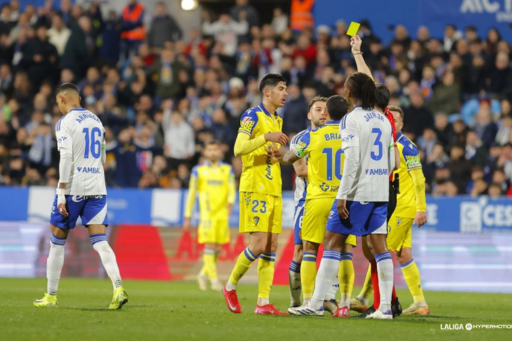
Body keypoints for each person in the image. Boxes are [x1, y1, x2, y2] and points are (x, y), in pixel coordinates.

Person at [290, 72, 395, 319]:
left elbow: (353, 160)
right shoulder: (383, 119)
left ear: (349, 93)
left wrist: (343, 195)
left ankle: (315, 304)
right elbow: (391, 161)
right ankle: (386, 309)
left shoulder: (350, 120)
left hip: (358, 192)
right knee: (380, 248)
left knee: (331, 242)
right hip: (380, 190)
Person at [33, 83, 127, 309]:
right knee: (100, 241)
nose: (58, 107)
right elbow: (103, 157)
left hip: (74, 186)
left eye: (58, 103)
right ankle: (118, 288)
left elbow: (66, 158)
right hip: (97, 186)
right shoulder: (96, 120)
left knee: (57, 241)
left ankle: (51, 296)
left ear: (63, 99)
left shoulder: (64, 122)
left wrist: (62, 193)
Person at [281, 95, 356, 317]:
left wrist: (282, 157)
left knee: (310, 249)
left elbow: (292, 162)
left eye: (324, 109)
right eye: (317, 109)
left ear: (328, 113)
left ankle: (309, 301)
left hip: (317, 198)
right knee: (344, 251)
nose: (322, 113)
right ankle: (344, 303)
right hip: (344, 200)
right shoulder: (351, 136)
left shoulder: (311, 137)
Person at [222, 73, 288, 315]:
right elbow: (239, 148)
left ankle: (263, 302)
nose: (285, 93)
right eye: (281, 88)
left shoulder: (277, 119)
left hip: (274, 188)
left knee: (271, 246)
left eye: (286, 88)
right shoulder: (252, 115)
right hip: (255, 187)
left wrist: (277, 153)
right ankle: (230, 286)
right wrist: (265, 137)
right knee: (258, 245)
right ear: (267, 92)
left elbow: (266, 152)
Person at [349, 34, 401, 318]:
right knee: (372, 248)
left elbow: (367, 82)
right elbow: (370, 83)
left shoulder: (375, 118)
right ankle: (386, 301)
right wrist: (358, 54)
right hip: (384, 187)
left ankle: (386, 303)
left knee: (374, 248)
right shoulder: (386, 118)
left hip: (379, 189)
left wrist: (358, 55)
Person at [386, 106, 429, 315]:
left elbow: (419, 180)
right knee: (403, 256)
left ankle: (366, 297)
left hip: (403, 207)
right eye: (389, 119)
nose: (391, 123)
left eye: (395, 120)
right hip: (396, 206)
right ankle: (420, 302)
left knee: (381, 251)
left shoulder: (407, 147)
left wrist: (421, 209)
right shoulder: (386, 144)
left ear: (402, 124)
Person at [183, 140, 236, 292]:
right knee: (209, 245)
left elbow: (231, 187)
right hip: (207, 214)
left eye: (215, 149)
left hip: (222, 213)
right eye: (210, 149)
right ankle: (214, 280)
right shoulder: (198, 170)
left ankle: (202, 274)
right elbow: (192, 194)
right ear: (205, 152)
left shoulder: (227, 169)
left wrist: (231, 202)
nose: (213, 152)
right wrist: (187, 215)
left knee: (218, 247)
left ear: (220, 152)